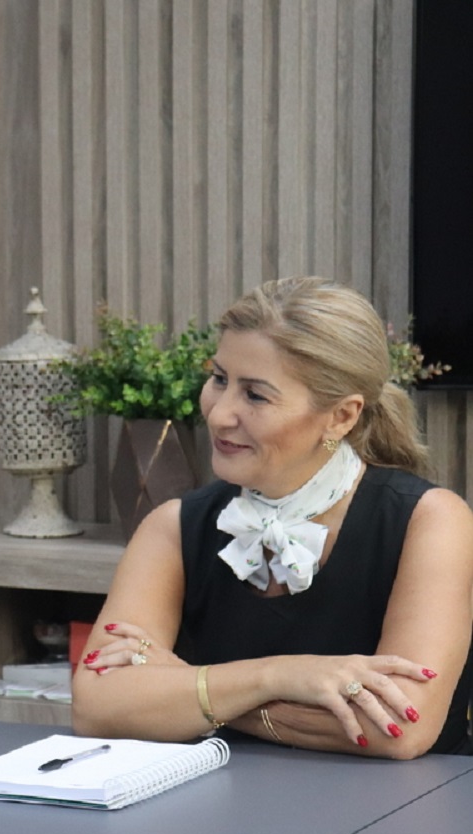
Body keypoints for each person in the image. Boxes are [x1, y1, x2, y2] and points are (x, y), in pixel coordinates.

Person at [72, 277, 473, 758]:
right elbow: (96, 705)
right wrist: (279, 676)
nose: (219, 414)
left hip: (406, 804)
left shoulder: (430, 522)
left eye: (256, 396)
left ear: (342, 416)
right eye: (219, 379)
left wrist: (184, 685)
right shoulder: (171, 527)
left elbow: (397, 727)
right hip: (219, 800)